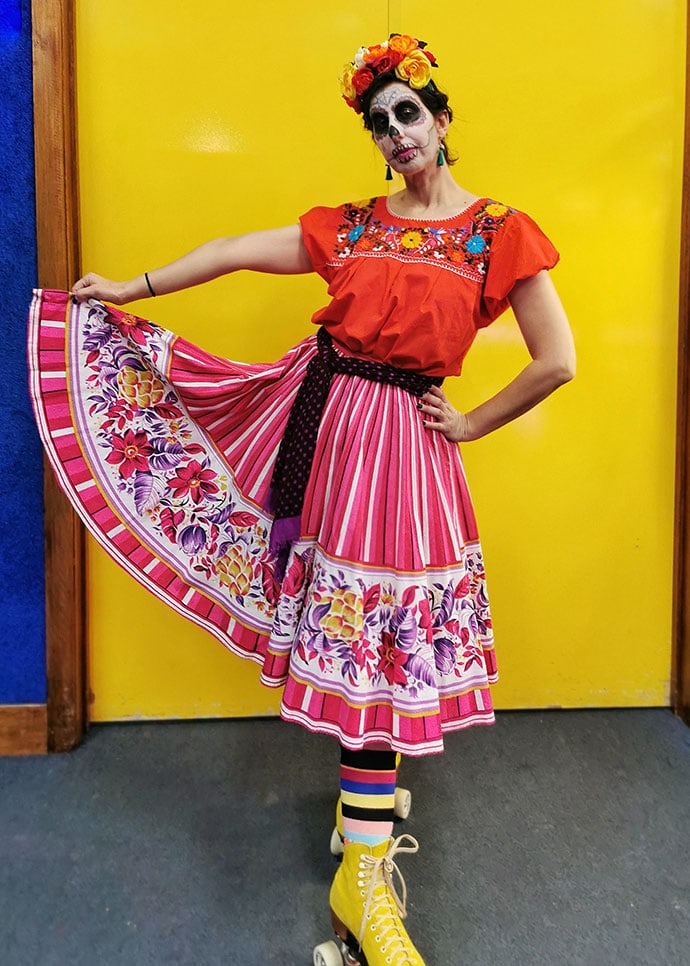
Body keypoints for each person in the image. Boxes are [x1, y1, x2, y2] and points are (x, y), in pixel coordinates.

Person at [28, 33, 574, 966]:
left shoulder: (498, 233)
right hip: (321, 429)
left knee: (380, 641)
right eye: (378, 123)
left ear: (443, 122)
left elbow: (556, 359)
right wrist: (132, 286)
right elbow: (239, 249)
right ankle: (362, 870)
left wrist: (475, 423)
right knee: (357, 637)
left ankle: (362, 862)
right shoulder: (354, 226)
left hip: (405, 450)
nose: (395, 133)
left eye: (409, 114)